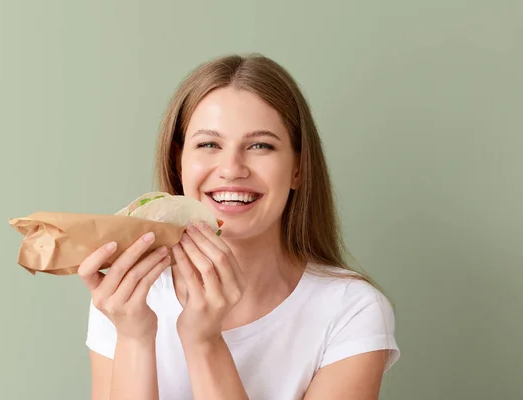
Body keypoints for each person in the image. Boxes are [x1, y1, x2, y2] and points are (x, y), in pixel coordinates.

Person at [78, 53, 400, 400]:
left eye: (260, 145)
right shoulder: (128, 297)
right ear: (179, 162)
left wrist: (205, 342)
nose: (231, 168)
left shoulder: (351, 311)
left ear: (298, 168)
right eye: (208, 144)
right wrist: (134, 337)